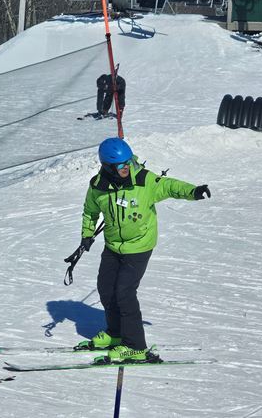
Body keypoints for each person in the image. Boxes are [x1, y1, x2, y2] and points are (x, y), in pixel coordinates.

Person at [76, 138, 211, 362]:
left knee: (125, 293)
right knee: (106, 290)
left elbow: (170, 186)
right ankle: (116, 334)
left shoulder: (144, 180)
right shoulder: (98, 186)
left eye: (128, 162)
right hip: (112, 247)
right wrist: (87, 234)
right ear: (108, 167)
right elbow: (89, 211)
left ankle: (136, 346)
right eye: (121, 166)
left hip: (139, 247)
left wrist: (194, 191)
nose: (126, 168)